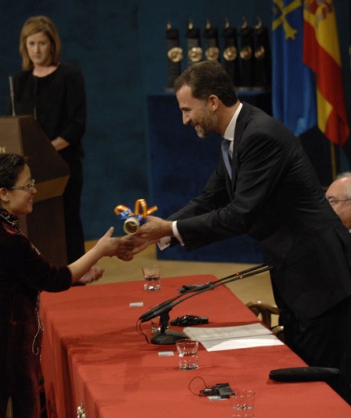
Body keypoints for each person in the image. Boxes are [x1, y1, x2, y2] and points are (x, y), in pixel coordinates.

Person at [127, 61, 351, 403]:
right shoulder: (237, 136)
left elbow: (240, 214)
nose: (185, 119)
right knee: (304, 372)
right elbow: (209, 198)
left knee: (326, 384)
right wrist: (159, 233)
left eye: (188, 109)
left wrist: (172, 227)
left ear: (213, 101)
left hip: (319, 279)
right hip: (295, 275)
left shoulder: (260, 135)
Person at [0, 153, 127, 418]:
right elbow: (54, 280)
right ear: (4, 193)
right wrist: (100, 250)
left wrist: (81, 274)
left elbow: (31, 277)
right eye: (27, 185)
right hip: (5, 353)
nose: (34, 190)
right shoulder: (6, 239)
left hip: (1, 347)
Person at [13, 15, 87, 264]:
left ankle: (76, 275)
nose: (36, 50)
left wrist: (47, 150)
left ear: (52, 45)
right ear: (25, 46)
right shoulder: (20, 81)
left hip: (63, 163)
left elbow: (77, 124)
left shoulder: (70, 76)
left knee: (67, 220)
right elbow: (13, 123)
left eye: (42, 43)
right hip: (28, 168)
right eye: (31, 44)